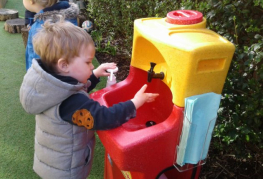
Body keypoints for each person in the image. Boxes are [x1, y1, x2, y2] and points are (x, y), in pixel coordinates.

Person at [19, 18, 159, 179]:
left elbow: (74, 88)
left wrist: (95, 74)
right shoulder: (70, 103)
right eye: (88, 62)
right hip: (66, 171)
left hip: (53, 162)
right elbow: (104, 118)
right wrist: (135, 103)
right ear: (64, 65)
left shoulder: (51, 85)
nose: (92, 65)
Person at [23, 0, 79, 70]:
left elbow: (38, 64)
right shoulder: (70, 18)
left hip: (45, 78)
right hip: (72, 73)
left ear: (31, 1)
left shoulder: (39, 29)